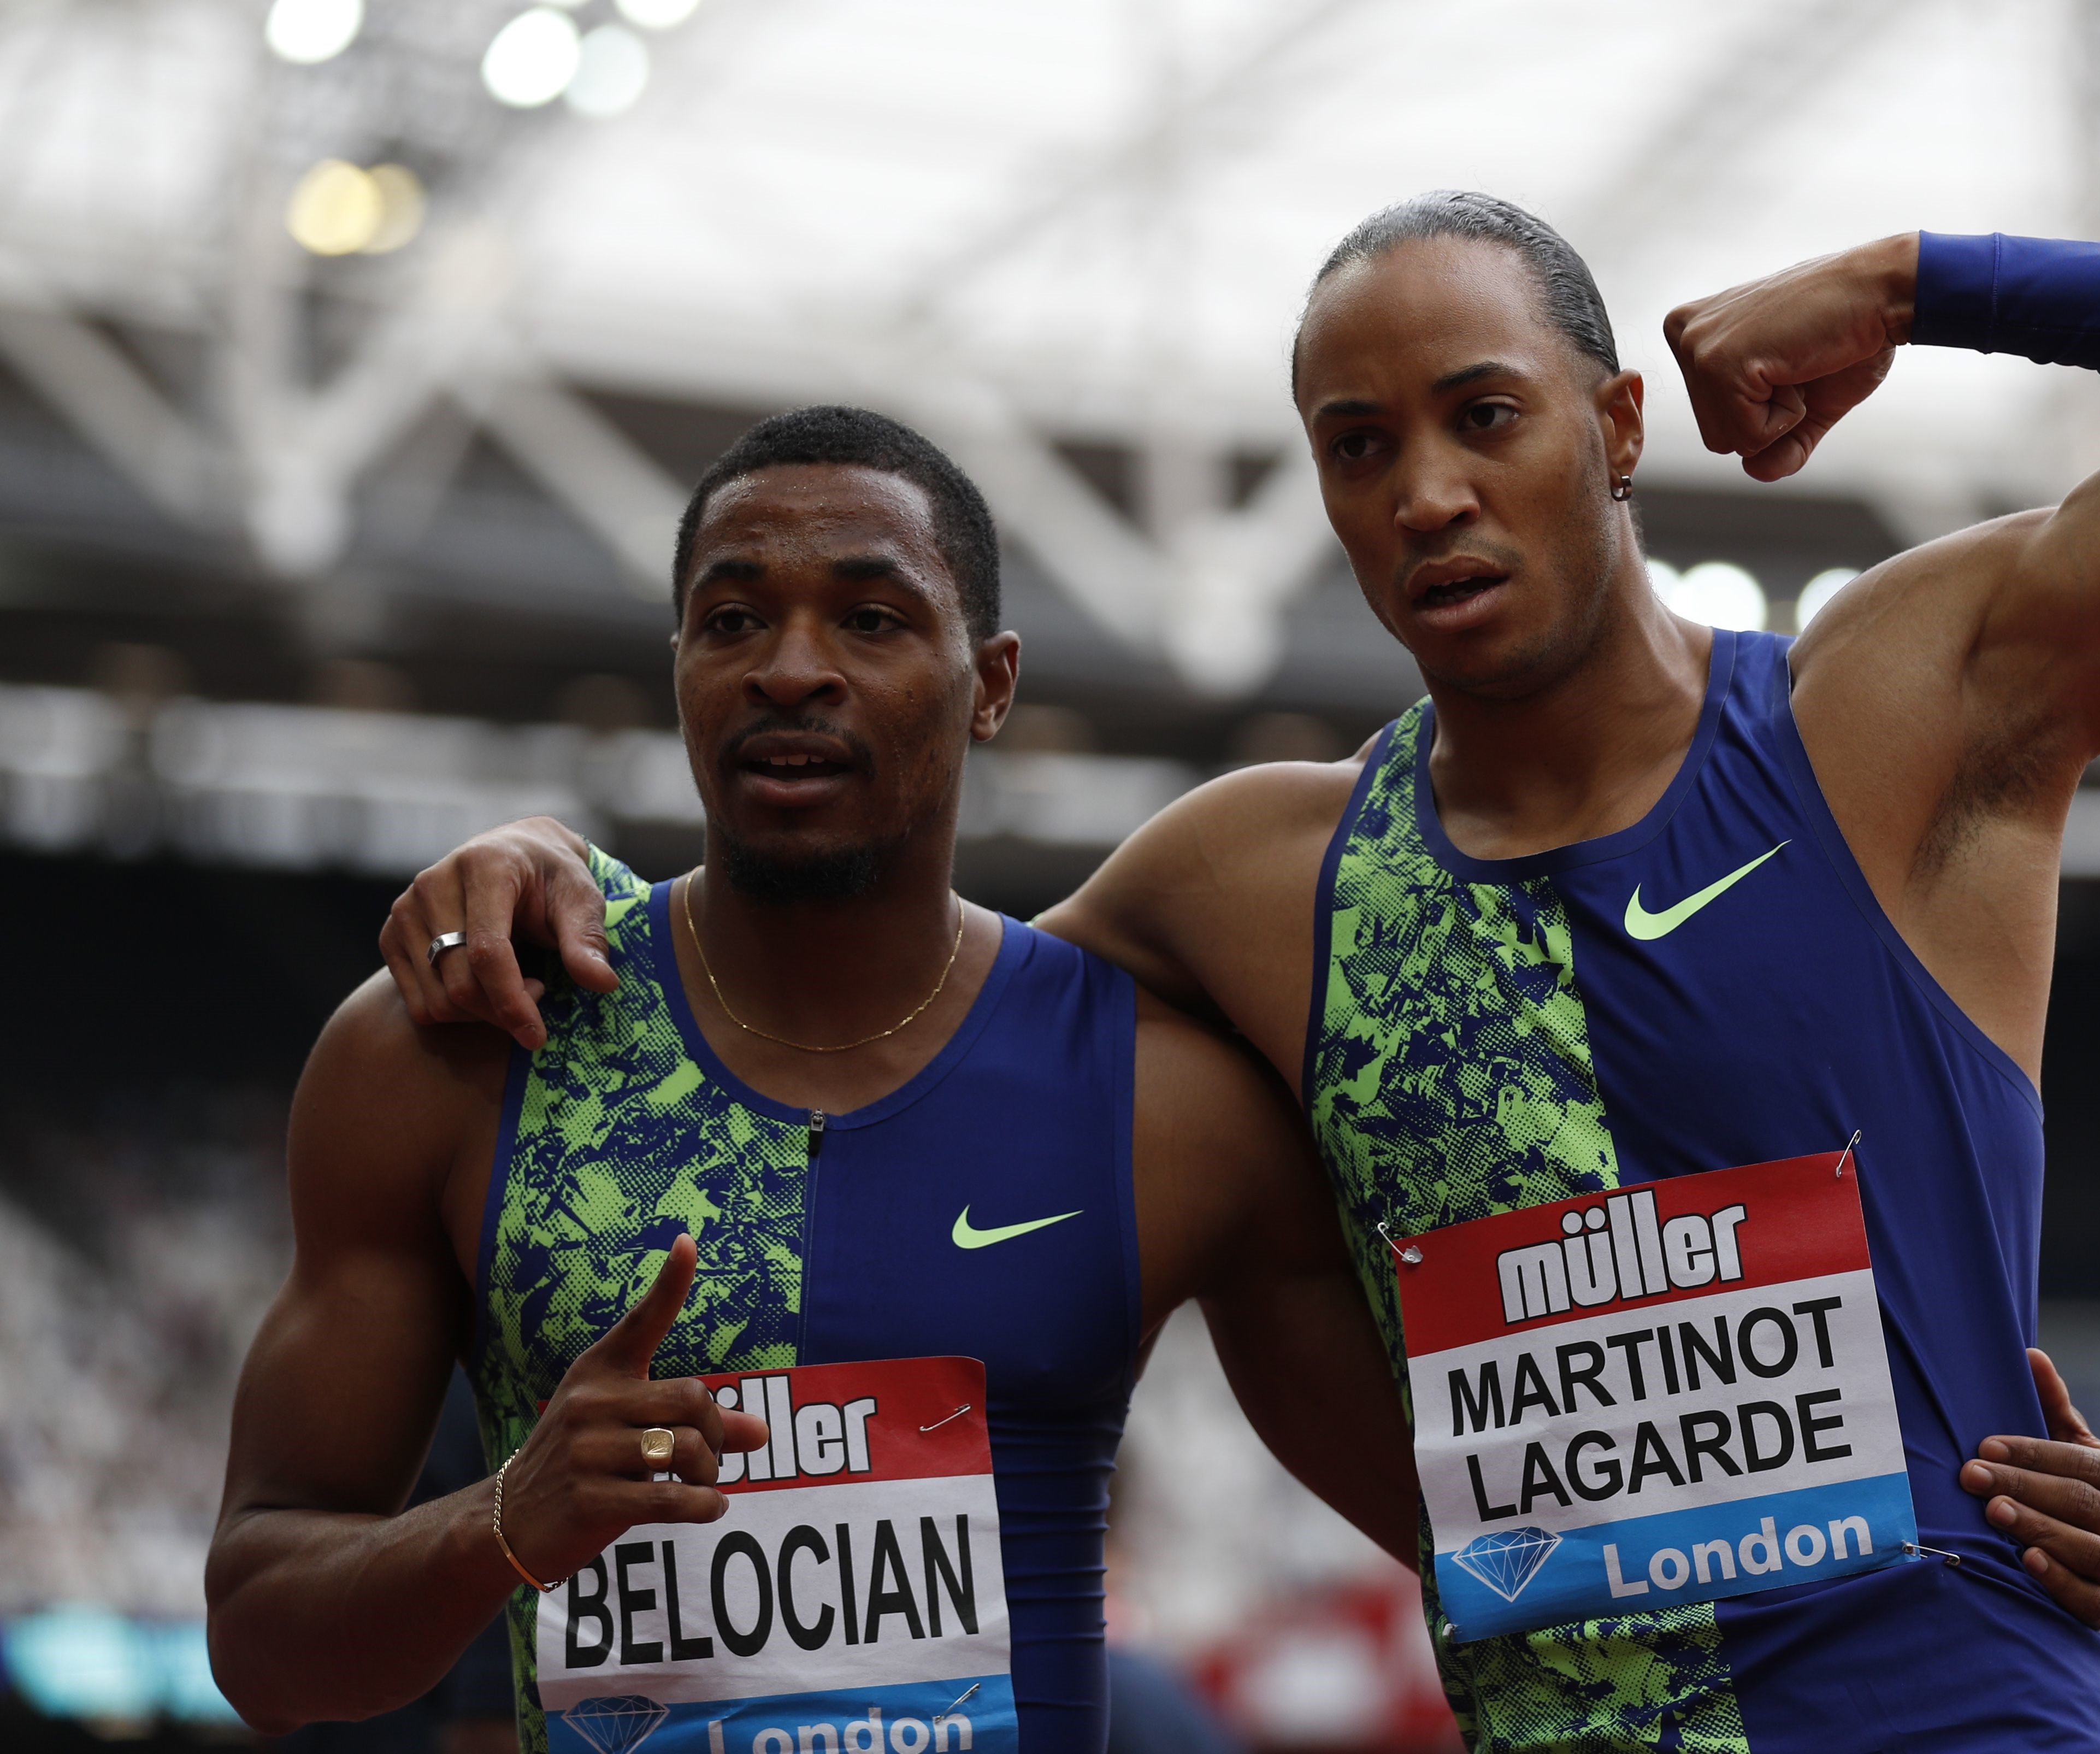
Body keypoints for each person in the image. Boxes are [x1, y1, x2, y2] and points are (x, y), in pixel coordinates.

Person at [376, 191, 2100, 1749]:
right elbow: (872, 1008)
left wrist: (1924, 279)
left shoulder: (1898, 707)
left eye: (1481, 412)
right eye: (1357, 445)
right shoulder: (1252, 876)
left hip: (1950, 1706)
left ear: (1616, 426)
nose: (1423, 490)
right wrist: (544, 868)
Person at [206, 408, 1423, 1754]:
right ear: (677, 669)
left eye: (870, 620)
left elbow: (1503, 1525)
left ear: (992, 681)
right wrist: (504, 1519)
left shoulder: (1163, 1103)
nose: (790, 670)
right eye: (731, 622)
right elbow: (263, 1648)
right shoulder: (454, 1052)